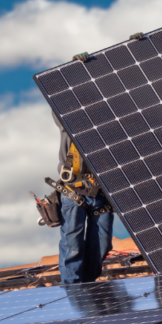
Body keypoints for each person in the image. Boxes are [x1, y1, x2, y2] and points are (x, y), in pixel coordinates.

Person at [53, 111, 114, 284]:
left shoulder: (108, 124)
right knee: (72, 245)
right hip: (73, 191)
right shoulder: (70, 120)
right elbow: (60, 109)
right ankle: (72, 288)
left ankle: (87, 285)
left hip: (100, 193)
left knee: (102, 244)